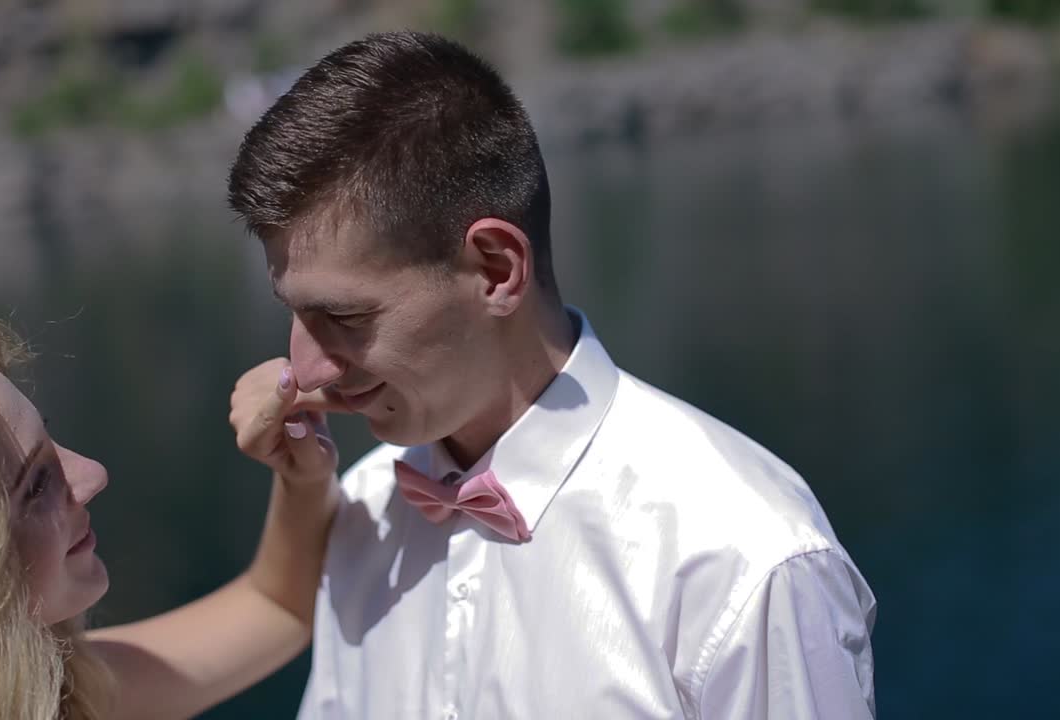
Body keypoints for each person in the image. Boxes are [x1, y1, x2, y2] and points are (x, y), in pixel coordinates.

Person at [227, 30, 878, 719]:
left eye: (344, 315)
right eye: (295, 314)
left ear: (497, 270)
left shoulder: (742, 555)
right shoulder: (362, 511)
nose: (302, 368)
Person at [0, 316, 340, 719]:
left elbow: (277, 610)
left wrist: (302, 475)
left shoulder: (61, 693)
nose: (93, 474)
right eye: (36, 485)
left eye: (51, 438)